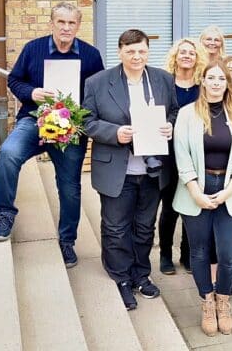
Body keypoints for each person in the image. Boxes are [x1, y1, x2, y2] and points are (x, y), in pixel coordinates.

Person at [0, 2, 104, 269]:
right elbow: (15, 80)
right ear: (51, 23)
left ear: (78, 25)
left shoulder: (90, 55)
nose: (66, 28)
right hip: (35, 119)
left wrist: (79, 115)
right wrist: (31, 93)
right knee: (7, 154)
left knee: (70, 187)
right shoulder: (34, 49)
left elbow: (98, 93)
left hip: (71, 126)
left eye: (71, 23)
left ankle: (67, 241)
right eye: (61, 22)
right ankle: (5, 214)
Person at [84, 29, 179, 310]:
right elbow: (87, 121)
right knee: (115, 228)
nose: (137, 57)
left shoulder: (163, 79)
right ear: (120, 52)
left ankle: (141, 274)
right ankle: (121, 278)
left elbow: (174, 112)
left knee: (144, 228)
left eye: (142, 51)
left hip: (152, 170)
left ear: (148, 52)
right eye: (130, 51)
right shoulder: (98, 82)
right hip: (117, 169)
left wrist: (170, 126)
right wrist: (115, 133)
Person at [172, 60, 232, 336]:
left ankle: (223, 301)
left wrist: (228, 190)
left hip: (230, 189)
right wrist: (195, 191)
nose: (216, 83)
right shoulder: (186, 114)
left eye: (221, 78)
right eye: (211, 78)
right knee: (200, 252)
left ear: (227, 84)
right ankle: (207, 301)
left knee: (229, 256)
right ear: (202, 81)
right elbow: (181, 156)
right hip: (196, 188)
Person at [159, 38, 207, 276]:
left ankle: (187, 254)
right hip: (169, 153)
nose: (187, 56)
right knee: (169, 208)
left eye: (191, 53)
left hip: (195, 153)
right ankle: (165, 254)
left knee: (192, 205)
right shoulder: (164, 84)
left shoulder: (202, 87)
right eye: (182, 52)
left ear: (197, 58)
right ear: (175, 57)